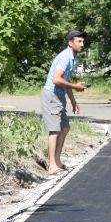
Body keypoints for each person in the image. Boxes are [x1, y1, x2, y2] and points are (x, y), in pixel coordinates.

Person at [40, 29, 88, 176]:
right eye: (79, 41)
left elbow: (64, 82)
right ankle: (52, 165)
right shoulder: (66, 57)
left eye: (83, 41)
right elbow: (56, 79)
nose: (82, 44)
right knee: (55, 130)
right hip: (51, 95)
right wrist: (76, 86)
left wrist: (73, 101)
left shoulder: (72, 57)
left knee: (65, 128)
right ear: (70, 42)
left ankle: (58, 161)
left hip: (59, 96)